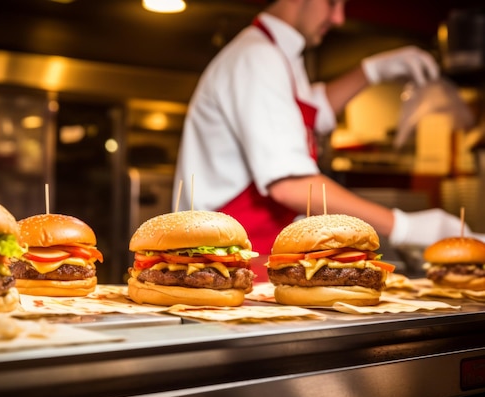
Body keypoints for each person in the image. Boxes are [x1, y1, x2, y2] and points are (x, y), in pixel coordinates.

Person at [172, 0, 485, 278]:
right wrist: (404, 227)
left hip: (262, 256)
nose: (338, 18)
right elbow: (290, 184)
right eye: (332, 3)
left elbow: (313, 109)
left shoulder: (279, 56)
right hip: (228, 263)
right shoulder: (257, 58)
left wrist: (372, 70)